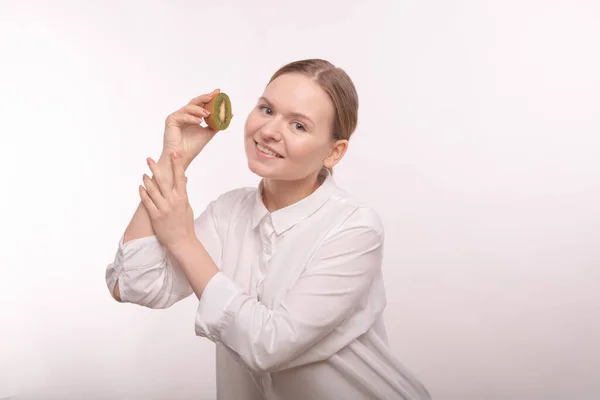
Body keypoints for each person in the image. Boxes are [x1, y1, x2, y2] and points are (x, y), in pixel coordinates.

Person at [105, 59, 431, 400]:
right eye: (266, 109)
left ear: (334, 153)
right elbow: (131, 285)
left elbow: (268, 345)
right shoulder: (229, 213)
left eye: (299, 126)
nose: (270, 130)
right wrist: (173, 160)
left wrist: (183, 241)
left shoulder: (355, 228)